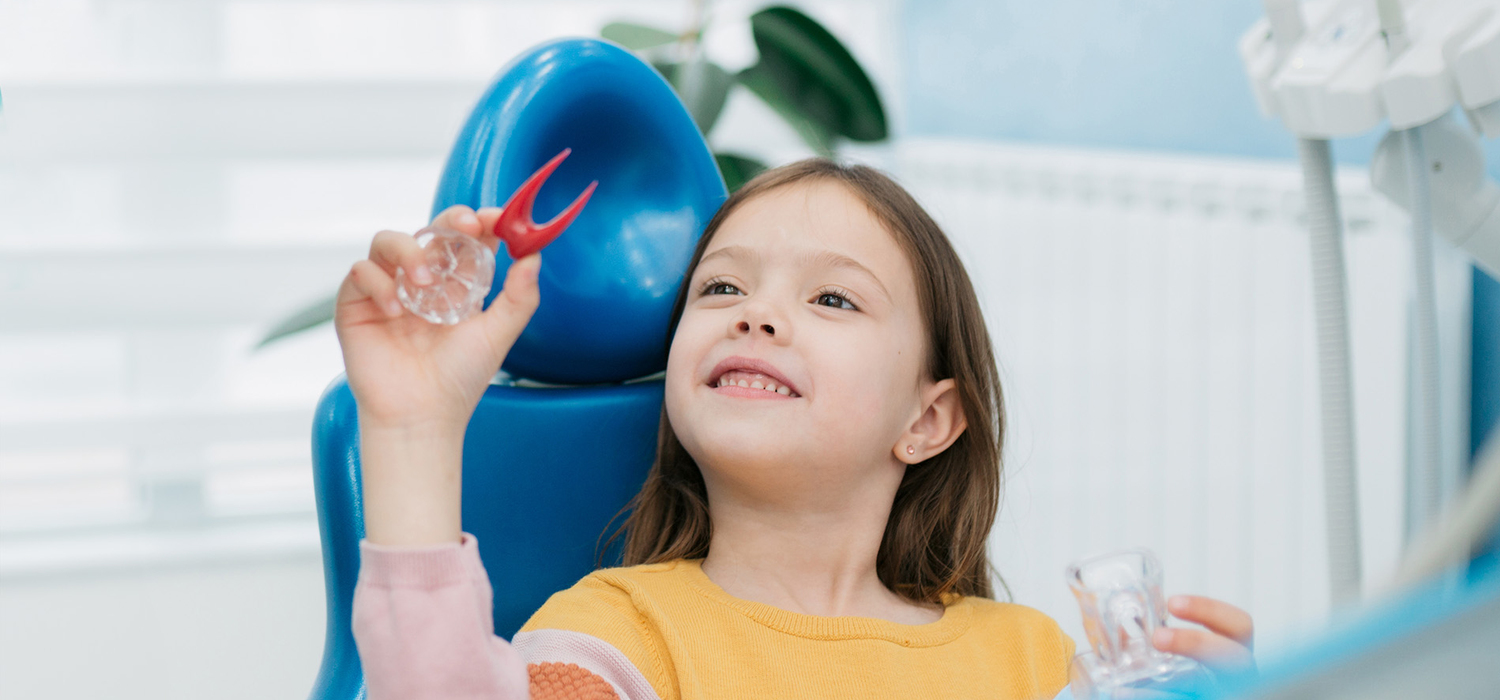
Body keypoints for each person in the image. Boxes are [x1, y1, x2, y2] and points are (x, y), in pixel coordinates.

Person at [335, 159, 1256, 699]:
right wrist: (411, 429)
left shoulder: (1035, 664)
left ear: (928, 419)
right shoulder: (622, 641)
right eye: (723, 288)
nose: (757, 316)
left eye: (830, 297)